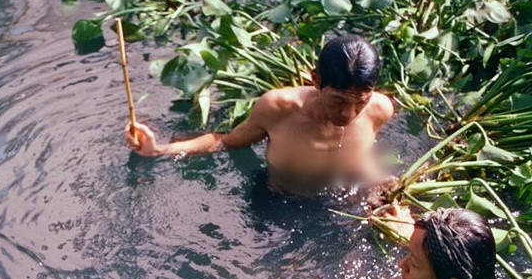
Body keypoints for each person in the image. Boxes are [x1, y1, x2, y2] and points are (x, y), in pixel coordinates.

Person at [125, 34, 394, 193]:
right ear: (315, 80)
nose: (349, 114)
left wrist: (383, 183)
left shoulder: (379, 110)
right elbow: (226, 141)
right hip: (280, 202)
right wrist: (159, 150)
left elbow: (360, 155)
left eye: (360, 102)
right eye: (338, 100)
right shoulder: (278, 108)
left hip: (344, 203)